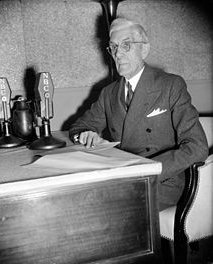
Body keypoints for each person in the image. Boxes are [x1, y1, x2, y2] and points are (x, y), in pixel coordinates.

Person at [69, 18, 208, 210]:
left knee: (107, 208)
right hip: (123, 177)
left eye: (126, 45)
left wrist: (147, 170)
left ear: (144, 49)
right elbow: (78, 127)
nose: (118, 53)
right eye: (113, 47)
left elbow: (197, 146)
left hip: (163, 181)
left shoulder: (170, 86)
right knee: (80, 198)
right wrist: (86, 134)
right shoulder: (108, 93)